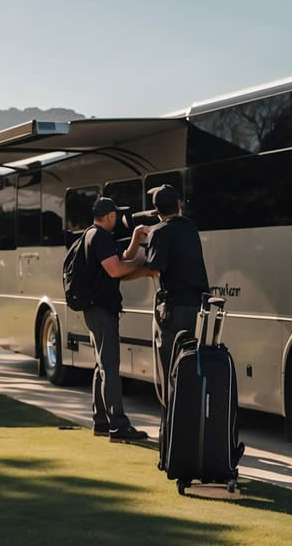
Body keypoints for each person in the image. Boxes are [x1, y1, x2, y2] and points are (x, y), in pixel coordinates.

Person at [83, 197, 149, 442]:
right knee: (110, 368)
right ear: (110, 216)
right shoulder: (100, 237)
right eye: (116, 215)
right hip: (102, 310)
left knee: (102, 366)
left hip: (93, 310)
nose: (117, 218)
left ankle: (101, 422)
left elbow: (118, 261)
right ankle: (118, 427)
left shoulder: (91, 235)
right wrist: (142, 261)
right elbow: (116, 270)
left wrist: (134, 243)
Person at [125, 184, 210, 371]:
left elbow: (153, 270)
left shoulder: (159, 231)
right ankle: (190, 399)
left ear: (156, 209)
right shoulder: (190, 226)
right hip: (197, 306)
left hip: (176, 309)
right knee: (191, 360)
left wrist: (122, 276)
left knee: (171, 364)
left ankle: (172, 399)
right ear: (179, 203)